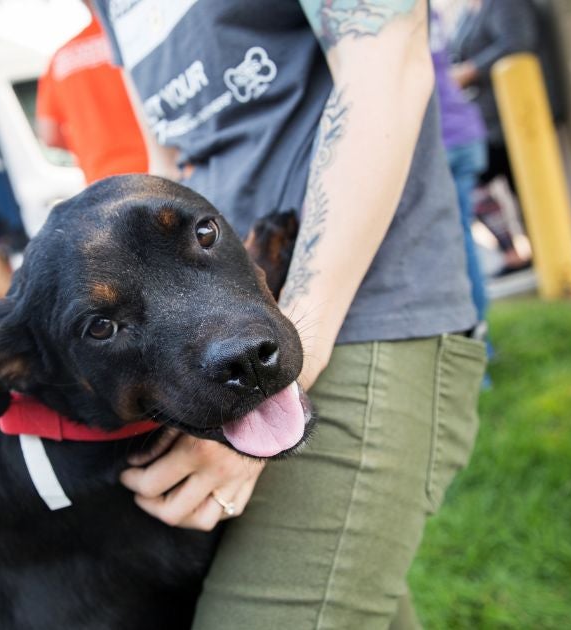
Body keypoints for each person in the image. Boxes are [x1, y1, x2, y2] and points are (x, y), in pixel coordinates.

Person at [92, 1, 488, 628]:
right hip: (232, 335)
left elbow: (387, 65)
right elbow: (167, 159)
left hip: (363, 314)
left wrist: (269, 383)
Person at [449, 0, 539, 273]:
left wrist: (469, 71)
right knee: (484, 186)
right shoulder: (468, 11)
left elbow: (517, 42)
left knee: (519, 186)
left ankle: (528, 252)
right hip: (484, 119)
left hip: (513, 113)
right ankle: (513, 250)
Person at [35, 1, 148, 184]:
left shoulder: (60, 59)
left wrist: (86, 147)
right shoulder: (135, 37)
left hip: (101, 181)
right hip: (156, 169)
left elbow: (49, 135)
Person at [432, 7, 490, 331]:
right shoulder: (427, 11)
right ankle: (480, 344)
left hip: (437, 141)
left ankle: (474, 348)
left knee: (451, 247)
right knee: (462, 238)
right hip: (464, 131)